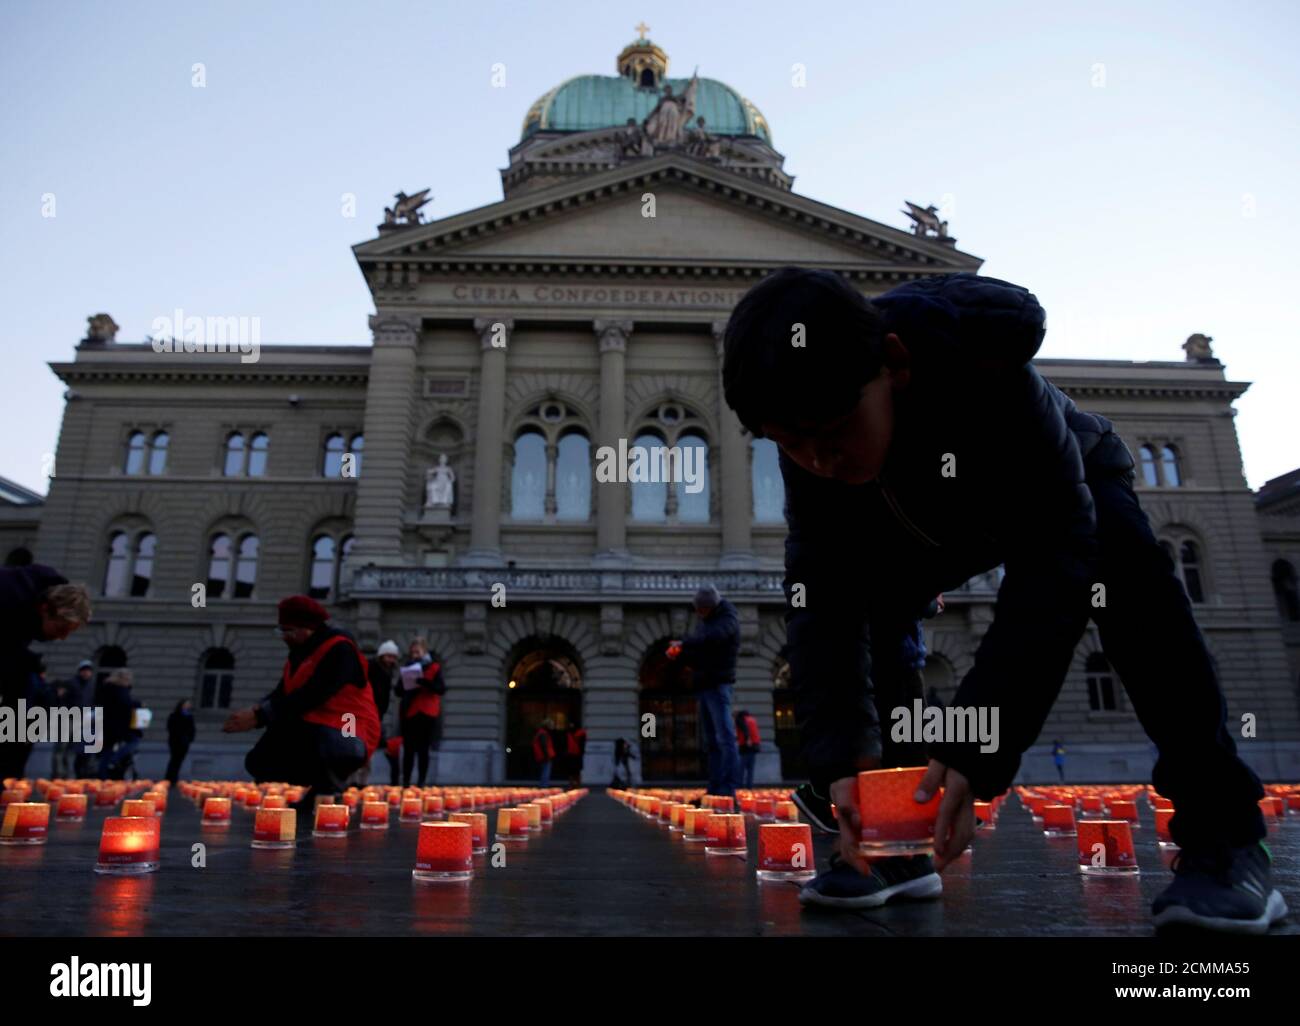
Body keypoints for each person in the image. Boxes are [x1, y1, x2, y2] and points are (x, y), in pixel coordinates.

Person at [722, 267, 1283, 932]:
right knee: (868, 620)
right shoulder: (815, 445)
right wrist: (841, 762)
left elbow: (1054, 570)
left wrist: (976, 749)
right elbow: (821, 603)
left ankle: (1225, 837)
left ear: (894, 364)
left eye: (833, 431)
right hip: (908, 527)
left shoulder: (984, 372)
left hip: (1059, 488)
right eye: (790, 444)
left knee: (1129, 580)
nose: (820, 460)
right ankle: (896, 844)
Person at [223, 595, 380, 809]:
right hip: (317, 726)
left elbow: (314, 693)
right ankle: (320, 789)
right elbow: (282, 694)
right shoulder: (298, 657)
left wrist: (260, 716)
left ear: (306, 629)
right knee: (259, 760)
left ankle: (330, 789)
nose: (283, 637)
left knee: (327, 741)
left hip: (350, 727)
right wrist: (256, 710)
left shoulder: (340, 649)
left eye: (287, 630)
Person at [0, 565, 91, 780]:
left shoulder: (31, 605)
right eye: (61, 629)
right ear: (45, 609)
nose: (62, 638)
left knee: (30, 696)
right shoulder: (9, 600)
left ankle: (10, 775)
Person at [667, 585, 741, 798]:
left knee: (725, 737)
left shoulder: (727, 618)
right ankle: (715, 786)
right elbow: (699, 652)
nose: (697, 613)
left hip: (718, 684)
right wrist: (680, 654)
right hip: (706, 685)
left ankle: (728, 787)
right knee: (712, 740)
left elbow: (713, 638)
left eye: (699, 609)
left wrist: (683, 643)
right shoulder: (707, 622)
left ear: (708, 607)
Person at [398, 638, 446, 787]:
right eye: (412, 652)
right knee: (409, 749)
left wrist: (424, 682)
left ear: (424, 651)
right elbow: (398, 690)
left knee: (423, 748)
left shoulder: (434, 667)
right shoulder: (407, 667)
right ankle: (406, 782)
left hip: (427, 713)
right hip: (410, 712)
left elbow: (441, 688)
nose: (414, 655)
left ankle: (421, 782)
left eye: (417, 652)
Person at [362, 640, 399, 786]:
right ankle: (351, 781)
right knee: (354, 743)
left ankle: (361, 781)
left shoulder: (388, 672)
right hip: (358, 714)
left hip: (375, 715)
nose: (390, 660)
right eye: (388, 656)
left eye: (393, 657)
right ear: (381, 655)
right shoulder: (371, 667)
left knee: (367, 747)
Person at [97, 669, 143, 779]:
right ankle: (114, 760)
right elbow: (124, 705)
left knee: (106, 751)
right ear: (123, 679)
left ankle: (103, 777)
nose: (129, 681)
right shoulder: (120, 690)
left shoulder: (108, 688)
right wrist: (137, 704)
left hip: (108, 724)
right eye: (128, 679)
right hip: (118, 725)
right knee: (134, 741)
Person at [165, 699, 195, 785]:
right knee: (174, 759)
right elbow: (170, 727)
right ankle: (169, 778)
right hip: (175, 741)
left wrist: (189, 739)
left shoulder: (189, 716)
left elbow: (192, 729)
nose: (188, 705)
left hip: (185, 742)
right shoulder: (174, 715)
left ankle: (174, 777)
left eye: (189, 704)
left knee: (179, 761)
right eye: (186, 704)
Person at [734, 709, 761, 789]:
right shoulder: (752, 719)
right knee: (750, 768)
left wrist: (747, 739)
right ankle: (749, 786)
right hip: (754, 745)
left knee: (741, 767)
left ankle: (739, 785)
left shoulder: (740, 719)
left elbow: (745, 730)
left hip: (745, 746)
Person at [532, 719, 556, 785]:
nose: (553, 726)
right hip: (545, 756)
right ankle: (544, 787)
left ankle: (543, 787)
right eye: (551, 725)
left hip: (542, 756)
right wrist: (547, 756)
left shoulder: (540, 732)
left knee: (544, 772)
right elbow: (544, 745)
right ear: (548, 725)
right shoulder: (543, 733)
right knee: (545, 773)